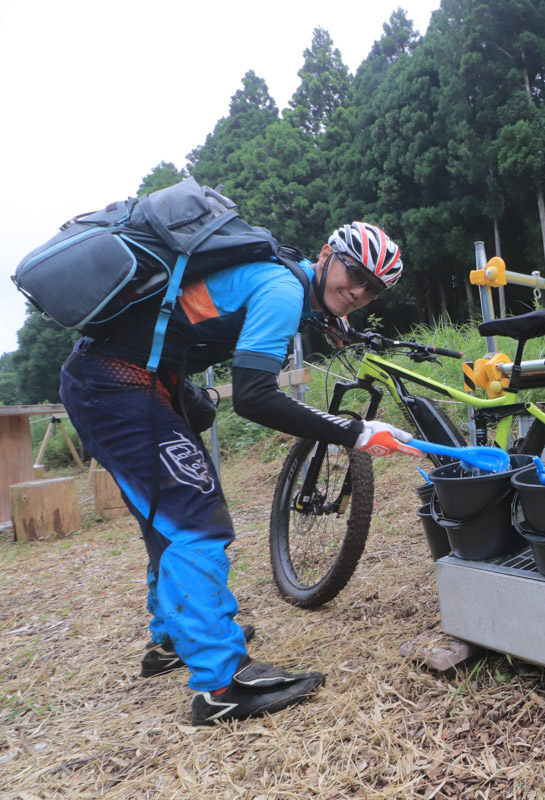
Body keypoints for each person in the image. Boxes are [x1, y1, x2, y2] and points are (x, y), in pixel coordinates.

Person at [59, 221, 415, 725]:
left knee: (172, 514)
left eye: (373, 288)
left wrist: (332, 324)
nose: (358, 291)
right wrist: (353, 432)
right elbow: (254, 396)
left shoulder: (283, 279)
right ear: (325, 254)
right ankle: (222, 685)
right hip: (119, 384)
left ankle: (169, 641)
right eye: (354, 273)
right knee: (195, 519)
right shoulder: (282, 286)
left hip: (127, 379)